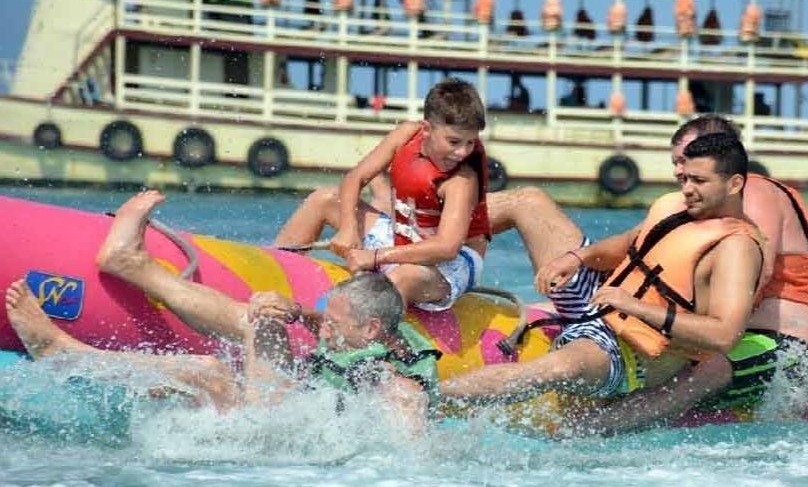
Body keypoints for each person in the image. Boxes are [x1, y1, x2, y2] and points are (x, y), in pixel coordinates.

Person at [482, 113, 808, 431]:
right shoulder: (693, 203)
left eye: (688, 164)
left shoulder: (754, 195)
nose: (681, 176)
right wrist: (580, 263)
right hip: (645, 316)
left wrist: (644, 313)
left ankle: (594, 429)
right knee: (529, 202)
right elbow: (638, 247)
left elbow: (750, 288)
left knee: (712, 367)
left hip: (768, 337)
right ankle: (453, 244)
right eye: (678, 165)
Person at [7, 194, 437, 430]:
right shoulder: (370, 332)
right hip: (287, 403)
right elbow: (328, 327)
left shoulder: (390, 377)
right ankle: (131, 264)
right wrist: (295, 310)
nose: (323, 330)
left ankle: (65, 353)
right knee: (263, 320)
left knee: (209, 371)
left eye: (333, 324)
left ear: (371, 329)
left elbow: (406, 410)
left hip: (274, 436)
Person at [440, 133, 764, 408]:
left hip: (629, 349)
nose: (688, 188)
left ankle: (432, 398)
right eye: (685, 179)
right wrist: (578, 257)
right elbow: (628, 244)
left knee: (558, 369)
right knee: (528, 201)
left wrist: (634, 307)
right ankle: (425, 240)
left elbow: (724, 334)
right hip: (599, 296)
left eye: (699, 181)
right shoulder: (679, 207)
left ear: (734, 184)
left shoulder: (736, 247)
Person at [274, 77, 490, 311]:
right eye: (454, 141)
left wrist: (376, 257)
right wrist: (348, 228)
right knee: (323, 199)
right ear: (427, 129)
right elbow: (355, 178)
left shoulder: (463, 179)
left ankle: (345, 322)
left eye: (470, 143)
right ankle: (273, 277)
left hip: (451, 264)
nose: (462, 152)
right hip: (402, 239)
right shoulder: (407, 135)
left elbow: (447, 248)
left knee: (402, 277)